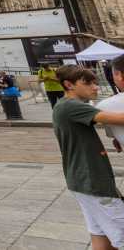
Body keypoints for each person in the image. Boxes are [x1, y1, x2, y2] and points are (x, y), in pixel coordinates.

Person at [53, 64, 124, 249]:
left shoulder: (64, 106)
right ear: (69, 85)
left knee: (101, 237)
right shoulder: (71, 106)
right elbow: (119, 118)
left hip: (81, 181)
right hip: (92, 181)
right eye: (88, 83)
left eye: (95, 83)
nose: (95, 87)